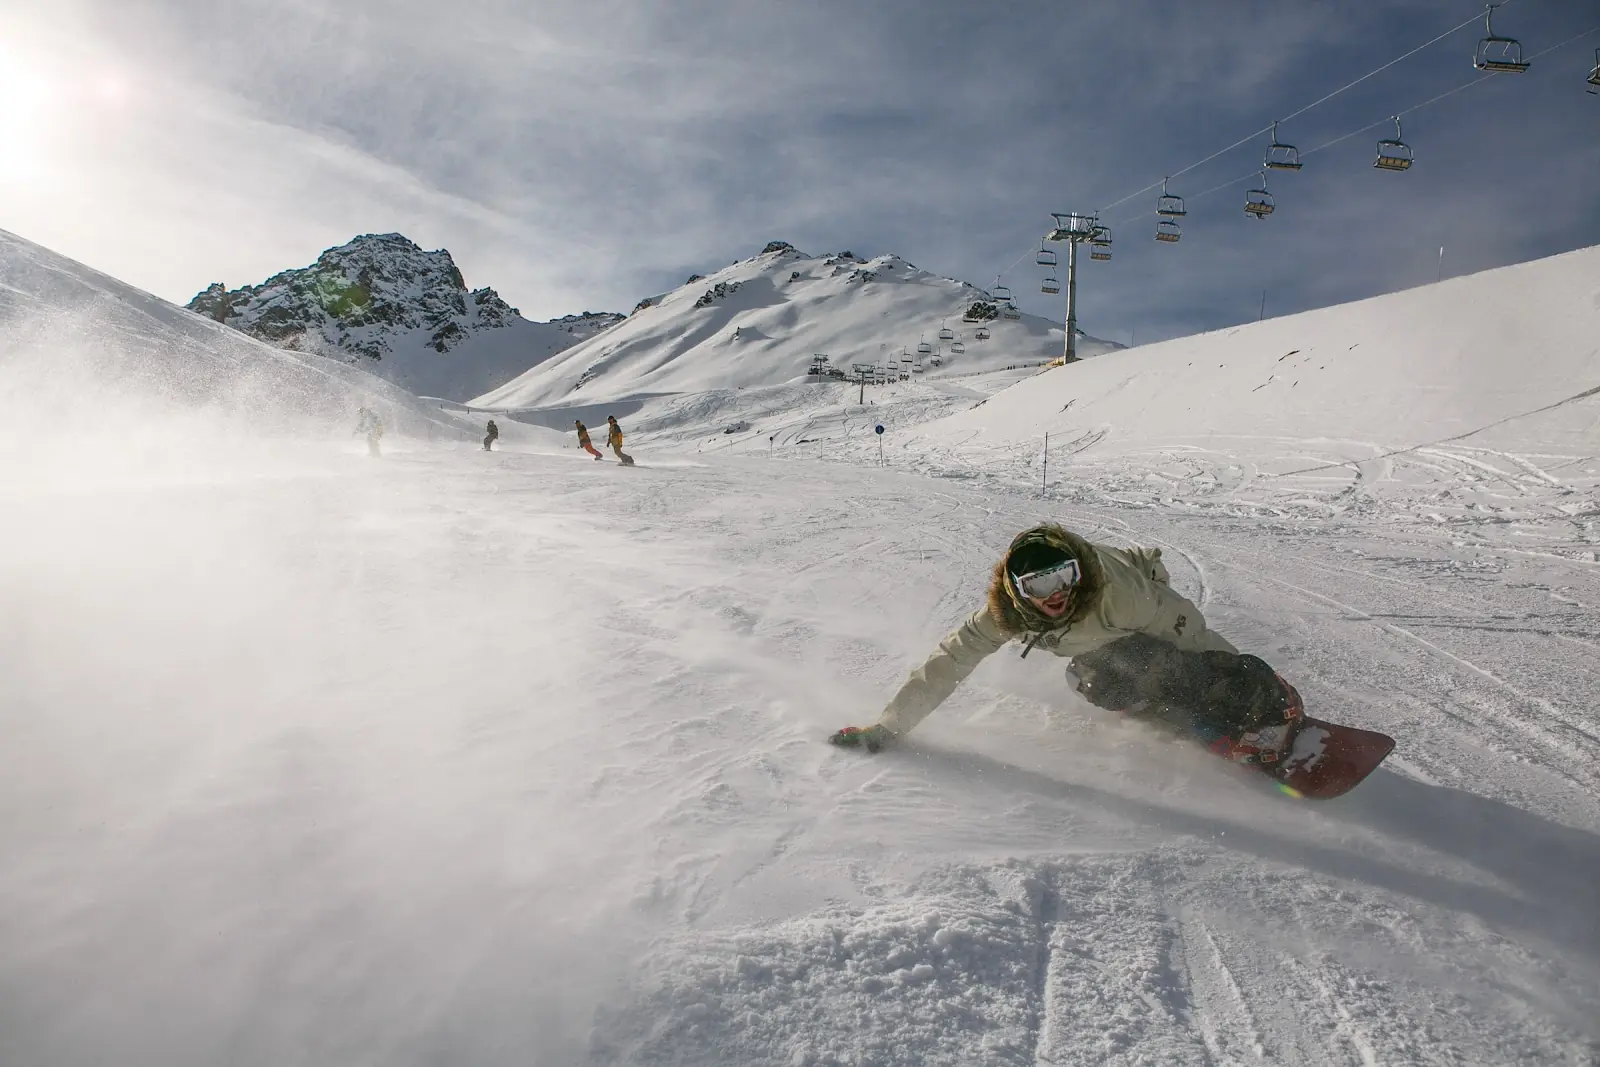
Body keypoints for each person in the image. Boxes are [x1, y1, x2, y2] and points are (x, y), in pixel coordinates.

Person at [829, 524, 1302, 761]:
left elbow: (1187, 628)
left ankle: (1270, 697)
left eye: (1062, 578)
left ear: (1077, 573)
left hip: (1143, 595)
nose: (1055, 594)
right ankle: (1165, 703)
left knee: (1171, 666)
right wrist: (888, 727)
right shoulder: (1004, 616)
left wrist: (1230, 677)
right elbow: (947, 662)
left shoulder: (1118, 595)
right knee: (1093, 682)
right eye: (1038, 585)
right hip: (1096, 642)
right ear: (1018, 591)